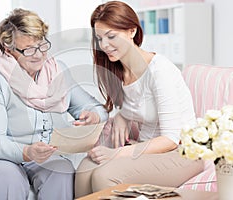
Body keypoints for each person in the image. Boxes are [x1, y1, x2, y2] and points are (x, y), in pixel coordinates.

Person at [0, 8, 108, 200]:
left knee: (61, 170)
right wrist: (27, 152)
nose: (38, 55)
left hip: (40, 158)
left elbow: (98, 109)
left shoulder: (58, 72)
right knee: (9, 177)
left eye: (42, 46)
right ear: (8, 48)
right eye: (29, 49)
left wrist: (93, 115)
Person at [75, 1, 204, 197]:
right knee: (85, 168)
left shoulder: (160, 71)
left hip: (182, 153)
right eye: (100, 38)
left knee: (105, 175)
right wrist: (121, 116)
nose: (105, 45)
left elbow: (170, 139)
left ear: (132, 31)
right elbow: (137, 103)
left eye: (111, 37)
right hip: (145, 148)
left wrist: (116, 154)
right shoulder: (118, 70)